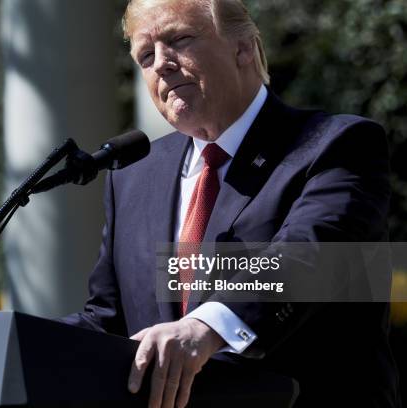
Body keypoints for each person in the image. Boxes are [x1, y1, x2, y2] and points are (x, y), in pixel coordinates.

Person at [61, 0, 400, 407]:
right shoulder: (133, 178)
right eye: (145, 55)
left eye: (180, 39)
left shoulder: (335, 145)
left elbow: (311, 258)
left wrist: (206, 326)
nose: (161, 65)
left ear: (243, 46)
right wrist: (9, 342)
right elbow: (107, 322)